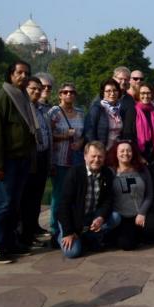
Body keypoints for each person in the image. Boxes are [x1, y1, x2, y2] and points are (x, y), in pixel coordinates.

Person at [0, 61, 37, 263]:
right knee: (4, 204)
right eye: (19, 72)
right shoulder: (2, 98)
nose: (23, 76)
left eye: (26, 73)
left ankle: (11, 243)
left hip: (22, 159)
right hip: (8, 162)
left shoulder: (22, 97)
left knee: (15, 204)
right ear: (10, 74)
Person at [56, 141, 121, 259]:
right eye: (93, 156)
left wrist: (101, 217)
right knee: (72, 252)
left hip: (92, 218)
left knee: (116, 217)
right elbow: (64, 205)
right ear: (85, 156)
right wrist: (68, 232)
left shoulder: (107, 173)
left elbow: (108, 200)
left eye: (100, 156)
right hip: (73, 219)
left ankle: (88, 236)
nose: (96, 160)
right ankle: (60, 235)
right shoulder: (74, 173)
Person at [47, 82, 85, 242]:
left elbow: (84, 133)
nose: (69, 94)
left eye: (72, 92)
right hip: (60, 159)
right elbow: (47, 134)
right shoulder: (54, 112)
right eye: (65, 92)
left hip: (76, 159)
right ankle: (55, 229)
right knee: (59, 195)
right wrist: (64, 137)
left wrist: (80, 142)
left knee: (76, 194)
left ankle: (72, 227)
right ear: (60, 95)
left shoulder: (80, 112)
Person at [19, 76, 53, 247]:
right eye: (33, 88)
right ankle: (24, 235)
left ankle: (31, 230)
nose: (38, 91)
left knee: (36, 197)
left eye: (39, 89)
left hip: (42, 156)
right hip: (30, 158)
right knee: (26, 198)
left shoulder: (41, 109)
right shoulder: (23, 108)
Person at [106, 141, 154, 250]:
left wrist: (142, 213)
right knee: (126, 245)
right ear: (116, 153)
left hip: (139, 214)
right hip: (121, 216)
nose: (125, 153)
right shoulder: (110, 172)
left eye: (129, 151)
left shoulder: (142, 169)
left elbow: (149, 195)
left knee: (152, 227)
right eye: (122, 151)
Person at [84, 78, 136, 149]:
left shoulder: (120, 110)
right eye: (108, 91)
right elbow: (89, 132)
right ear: (103, 93)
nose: (112, 93)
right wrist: (96, 149)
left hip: (117, 151)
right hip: (101, 150)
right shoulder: (96, 109)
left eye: (115, 90)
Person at [134, 83, 154, 166]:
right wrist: (138, 155)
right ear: (138, 95)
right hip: (140, 153)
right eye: (143, 93)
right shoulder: (133, 111)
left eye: (148, 93)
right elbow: (131, 134)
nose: (146, 96)